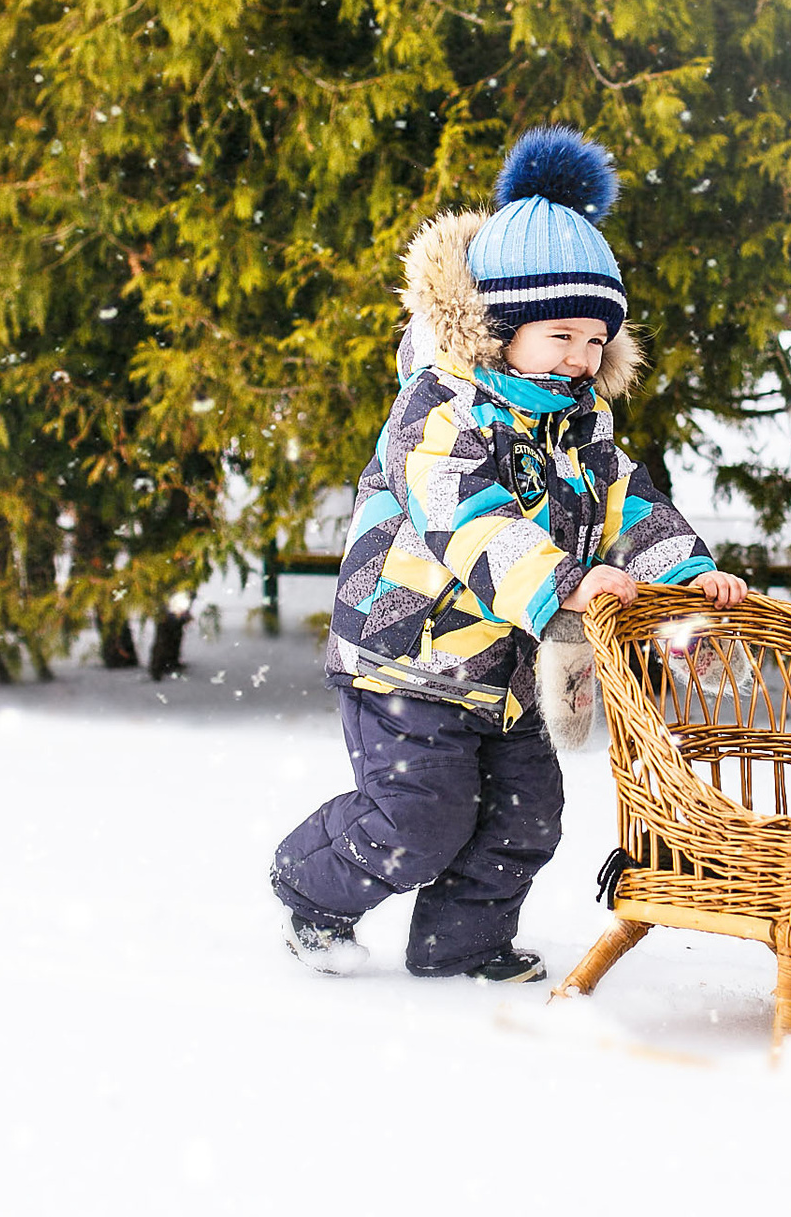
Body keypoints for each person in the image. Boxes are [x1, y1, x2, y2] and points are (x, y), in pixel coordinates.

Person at [268, 126, 749, 982]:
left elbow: (628, 508)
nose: (580, 356)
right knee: (419, 817)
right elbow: (475, 524)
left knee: (526, 819)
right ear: (500, 325)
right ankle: (309, 883)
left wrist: (683, 571)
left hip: (511, 669)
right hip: (410, 656)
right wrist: (566, 581)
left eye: (596, 340)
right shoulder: (439, 410)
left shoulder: (580, 426)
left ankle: (458, 947)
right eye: (560, 334)